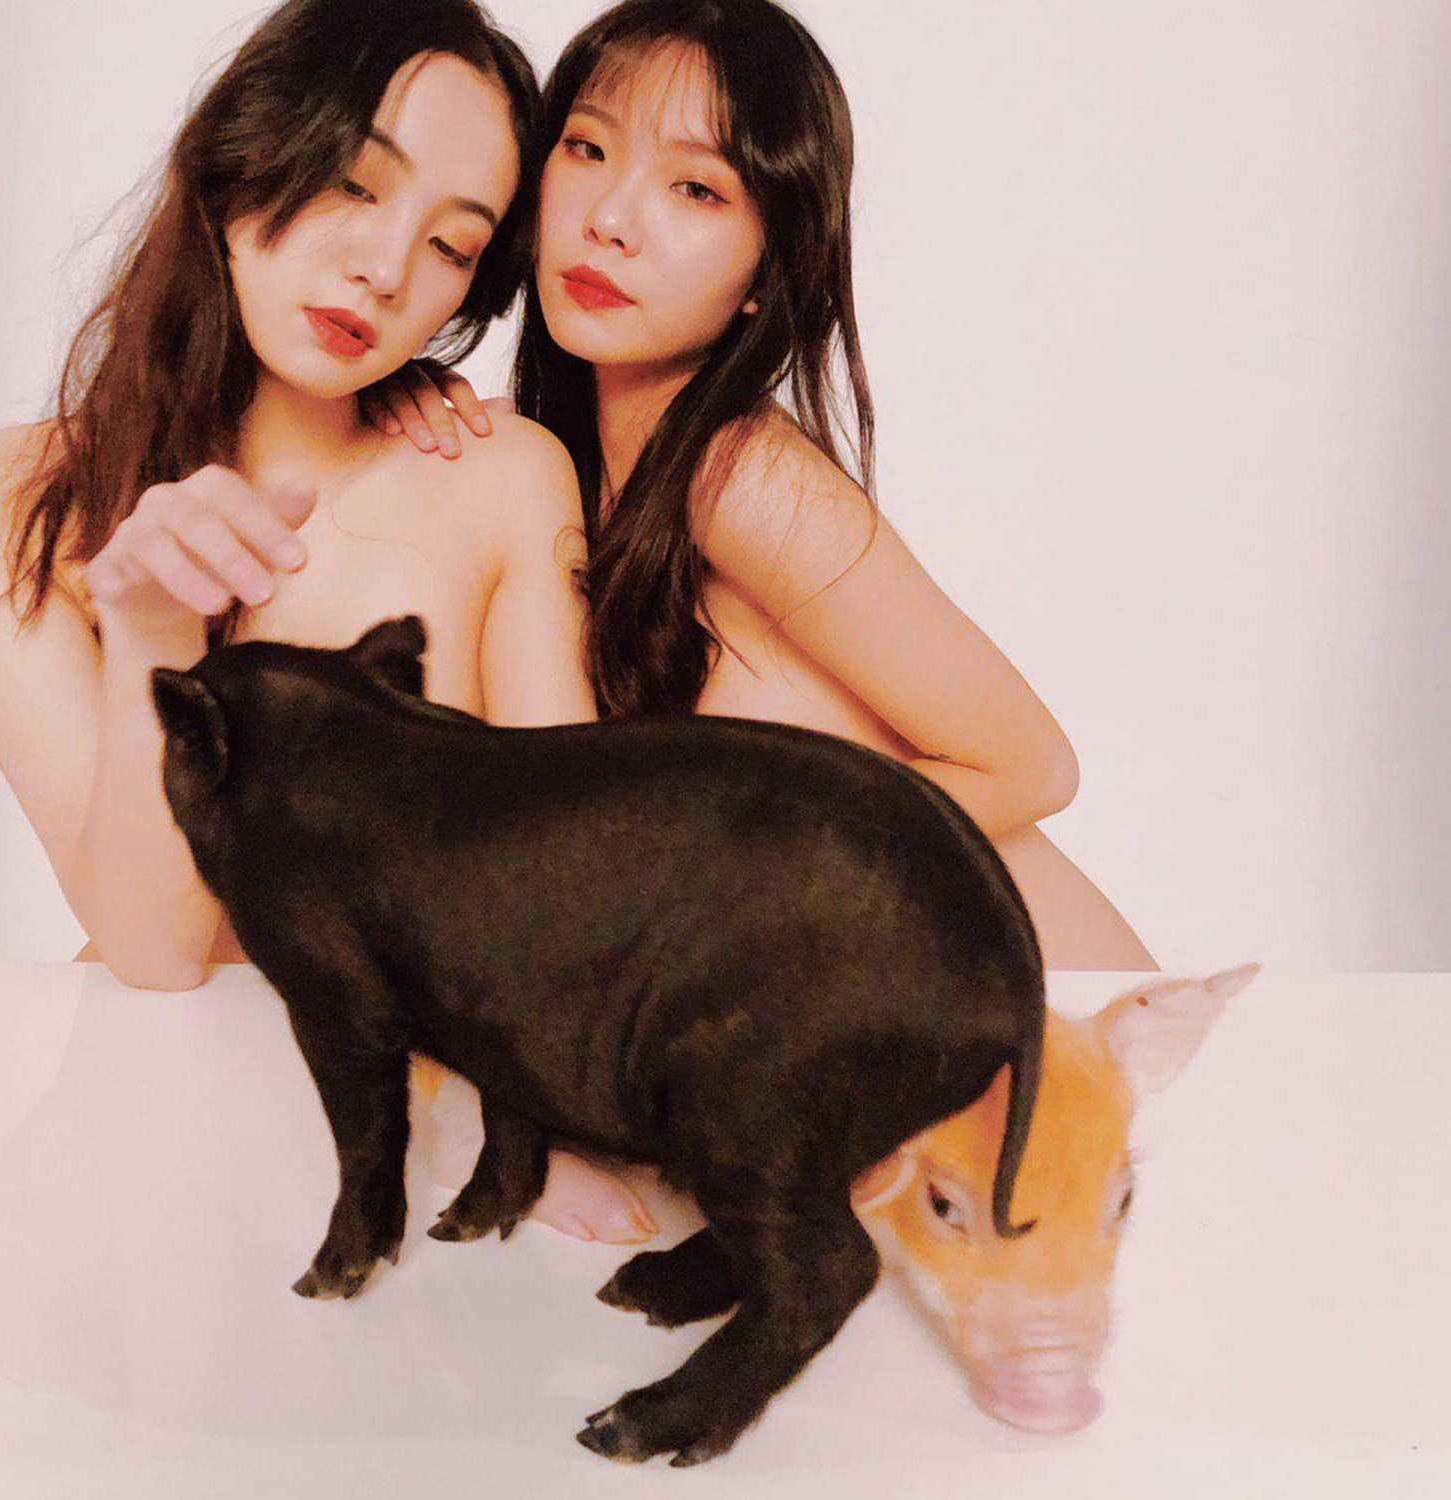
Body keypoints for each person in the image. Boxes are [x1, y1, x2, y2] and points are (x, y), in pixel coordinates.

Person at [371, 0, 1157, 1242]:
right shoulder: (566, 477)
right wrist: (400, 412)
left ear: (763, 274)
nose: (612, 217)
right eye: (587, 148)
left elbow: (1030, 764)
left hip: (1057, 1046)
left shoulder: (735, 475)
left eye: (696, 190)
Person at [0, 0, 659, 1245]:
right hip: (154, 1154)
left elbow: (566, 902)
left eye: (451, 246)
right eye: (353, 185)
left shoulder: (498, 477)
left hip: (430, 1158)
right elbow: (156, 953)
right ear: (242, 152)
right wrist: (155, 637)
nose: (387, 270)